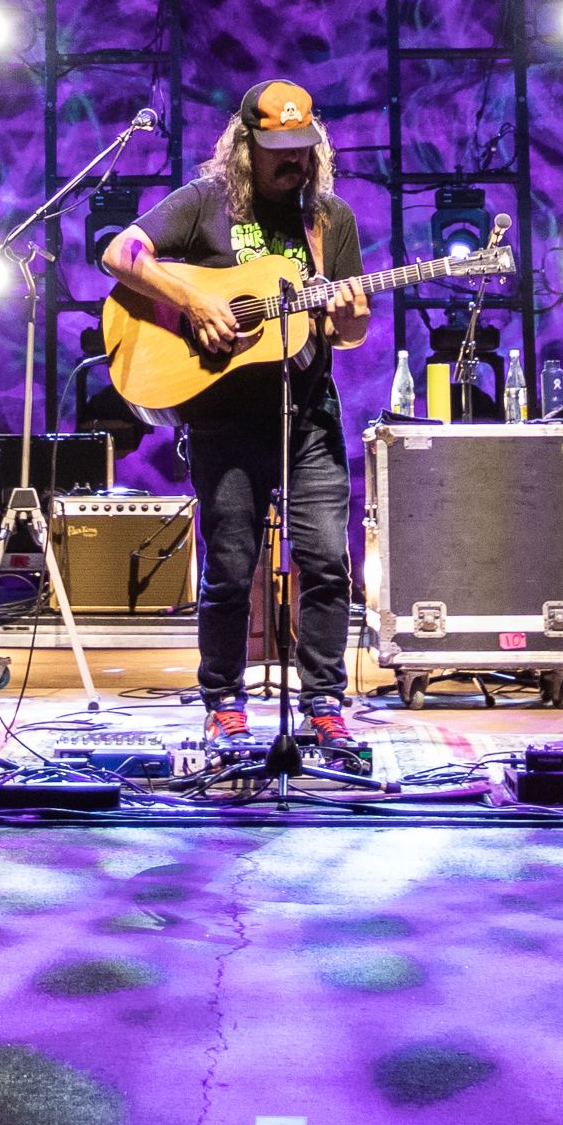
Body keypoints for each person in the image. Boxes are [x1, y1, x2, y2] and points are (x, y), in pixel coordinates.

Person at [100, 81, 370, 757]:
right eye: (278, 150)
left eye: (303, 149)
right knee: (229, 567)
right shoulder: (204, 203)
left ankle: (324, 702)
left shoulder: (330, 221)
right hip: (223, 417)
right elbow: (120, 253)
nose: (293, 162)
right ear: (245, 145)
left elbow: (352, 330)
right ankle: (223, 699)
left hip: (306, 417)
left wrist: (352, 316)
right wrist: (192, 300)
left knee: (327, 562)